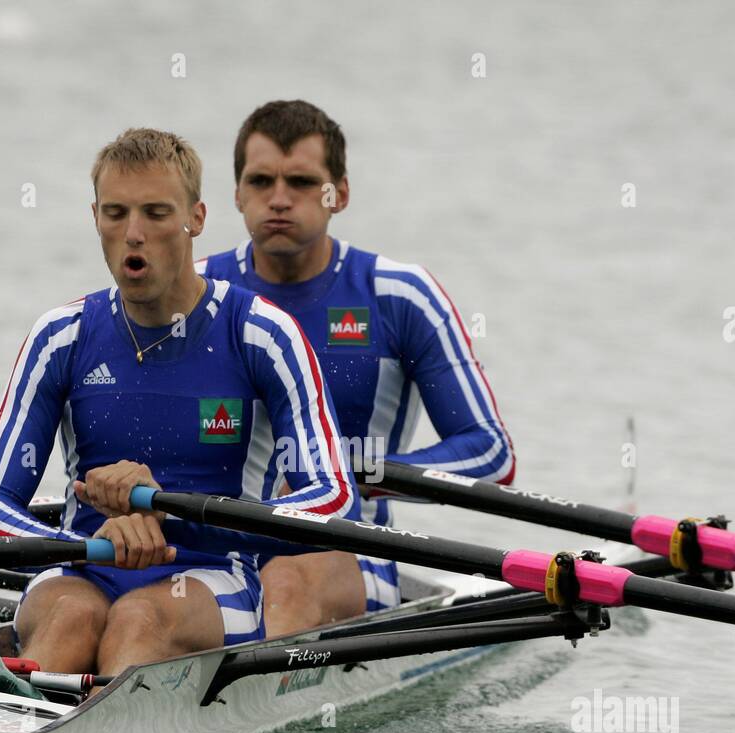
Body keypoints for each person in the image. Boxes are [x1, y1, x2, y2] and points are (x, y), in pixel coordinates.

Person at [0, 128, 356, 679]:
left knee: (140, 618)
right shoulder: (61, 336)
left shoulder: (263, 333)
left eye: (156, 213)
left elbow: (334, 500)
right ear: (94, 217)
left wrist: (165, 510)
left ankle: (68, 731)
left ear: (196, 218)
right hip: (86, 563)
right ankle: (10, 728)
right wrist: (84, 543)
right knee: (72, 617)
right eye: (116, 214)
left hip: (215, 573)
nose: (133, 235)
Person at [198, 100, 515, 635]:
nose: (278, 199)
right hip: (213, 550)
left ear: (338, 194)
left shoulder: (399, 296)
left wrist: (356, 476)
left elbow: (489, 453)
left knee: (288, 580)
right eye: (260, 181)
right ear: (236, 194)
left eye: (301, 181)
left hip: (347, 549)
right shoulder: (196, 293)